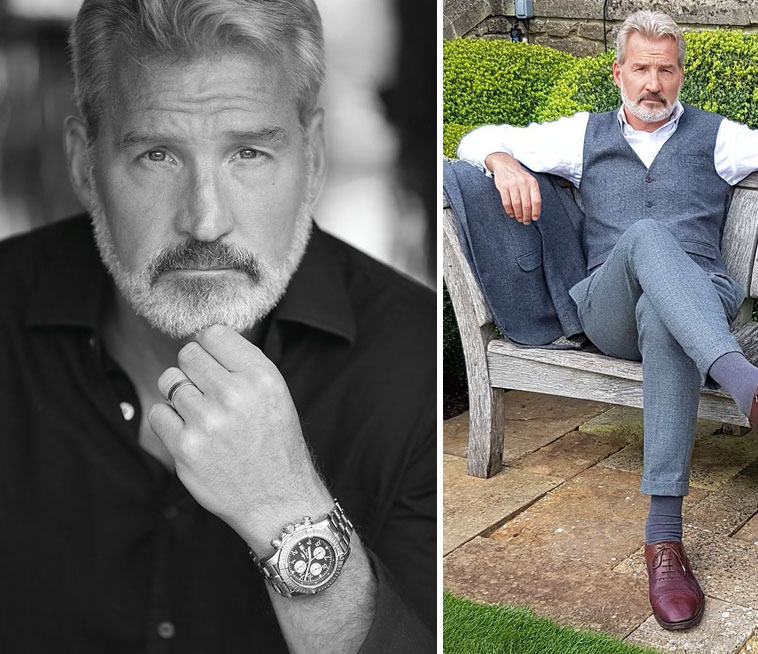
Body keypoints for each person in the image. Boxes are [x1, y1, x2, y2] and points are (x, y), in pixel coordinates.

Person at [0, 1, 435, 652]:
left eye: (248, 153)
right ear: (86, 167)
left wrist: (286, 509)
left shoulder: (416, 364)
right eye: (157, 155)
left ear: (313, 159)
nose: (205, 222)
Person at [457, 9, 758, 632]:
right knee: (648, 237)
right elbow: (474, 138)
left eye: (666, 70)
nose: (653, 84)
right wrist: (503, 161)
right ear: (618, 73)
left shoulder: (717, 137)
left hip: (695, 302)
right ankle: (750, 387)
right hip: (609, 311)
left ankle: (664, 541)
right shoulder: (582, 135)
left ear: (681, 74)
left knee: (665, 316)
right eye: (641, 70)